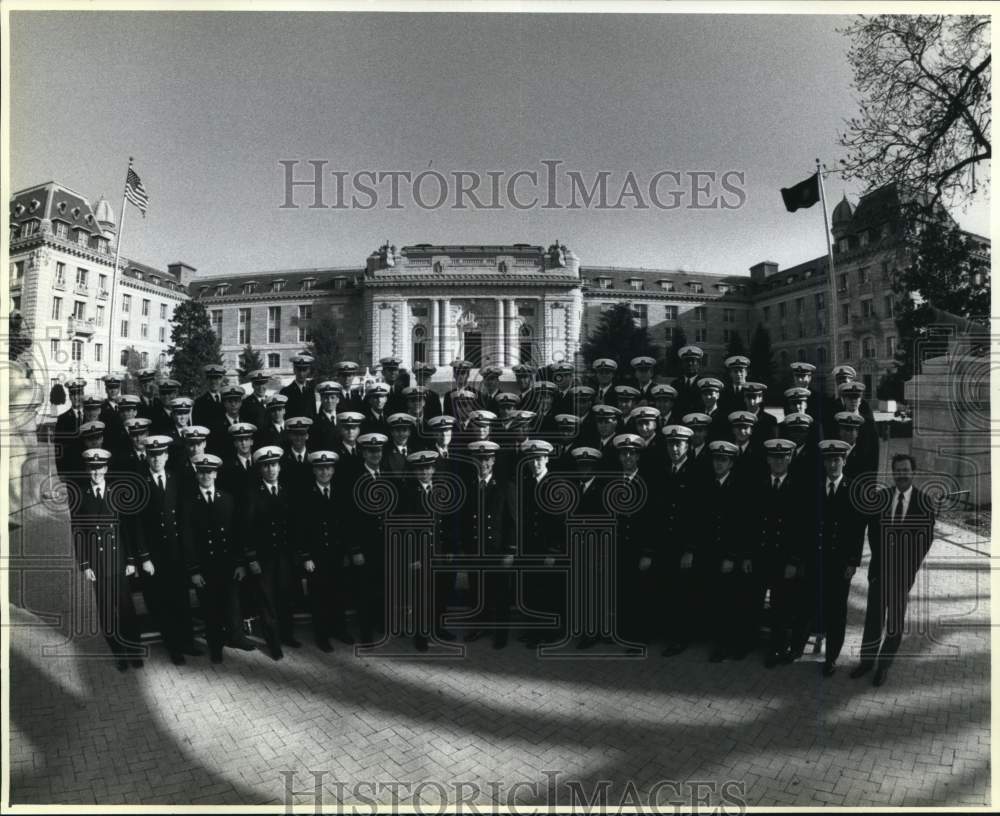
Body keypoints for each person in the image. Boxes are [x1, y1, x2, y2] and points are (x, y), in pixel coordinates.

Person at [851, 454, 936, 687]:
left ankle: (883, 666)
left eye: (905, 470)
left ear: (913, 472)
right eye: (897, 470)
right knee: (872, 621)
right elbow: (872, 533)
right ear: (893, 472)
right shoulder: (882, 498)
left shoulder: (925, 503)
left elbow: (924, 542)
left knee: (894, 623)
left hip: (902, 575)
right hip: (879, 572)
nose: (901, 474)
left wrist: (908, 572)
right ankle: (866, 662)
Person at [792, 439, 865, 677]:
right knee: (806, 604)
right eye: (828, 460)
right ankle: (795, 649)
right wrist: (801, 559)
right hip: (815, 559)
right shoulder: (813, 488)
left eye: (837, 460)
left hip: (838, 563)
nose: (832, 464)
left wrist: (853, 562)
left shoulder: (852, 489)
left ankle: (831, 657)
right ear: (823, 462)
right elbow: (803, 527)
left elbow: (856, 530)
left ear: (844, 461)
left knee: (836, 612)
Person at [71, 448, 143, 671]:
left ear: (106, 468)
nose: (96, 472)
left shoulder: (116, 492)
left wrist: (131, 560)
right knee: (106, 611)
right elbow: (79, 532)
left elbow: (127, 530)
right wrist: (84, 565)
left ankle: (133, 650)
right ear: (87, 470)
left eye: (99, 468)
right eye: (92, 469)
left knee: (126, 609)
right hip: (97, 564)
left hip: (119, 560)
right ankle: (118, 653)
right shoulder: (81, 496)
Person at [134, 435, 201, 665]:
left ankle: (188, 642)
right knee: (165, 603)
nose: (156, 460)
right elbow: (138, 524)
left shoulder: (175, 479)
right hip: (156, 556)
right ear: (148, 458)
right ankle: (174, 647)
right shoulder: (141, 483)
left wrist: (187, 553)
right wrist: (144, 557)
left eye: (160, 455)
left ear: (167, 456)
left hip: (176, 552)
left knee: (181, 599)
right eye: (152, 456)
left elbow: (183, 519)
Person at [183, 453, 255, 663]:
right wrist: (193, 571)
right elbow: (187, 539)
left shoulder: (227, 498)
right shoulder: (189, 502)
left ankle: (237, 637)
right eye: (202, 472)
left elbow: (237, 534)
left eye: (210, 472)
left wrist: (241, 563)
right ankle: (216, 645)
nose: (206, 475)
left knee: (233, 603)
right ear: (197, 475)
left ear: (216, 474)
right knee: (210, 607)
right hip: (205, 565)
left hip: (228, 563)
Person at [754, 438, 810, 667]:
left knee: (780, 606)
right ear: (768, 459)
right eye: (774, 458)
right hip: (761, 555)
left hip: (784, 558)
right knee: (754, 600)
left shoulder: (798, 488)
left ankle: (777, 648)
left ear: (790, 458)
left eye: (783, 457)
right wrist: (749, 555)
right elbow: (751, 523)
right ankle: (751, 641)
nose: (778, 462)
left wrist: (794, 561)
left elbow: (801, 529)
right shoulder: (759, 484)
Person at [461, 441, 517, 649]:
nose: (483, 463)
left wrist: (510, 551)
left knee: (500, 593)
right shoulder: (468, 485)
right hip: (475, 549)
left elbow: (513, 521)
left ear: (493, 460)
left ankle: (500, 634)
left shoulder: (505, 485)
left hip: (498, 550)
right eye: (479, 458)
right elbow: (465, 519)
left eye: (486, 459)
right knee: (477, 591)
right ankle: (479, 626)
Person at [296, 450, 353, 649]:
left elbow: (346, 526)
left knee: (339, 594)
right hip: (316, 556)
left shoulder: (341, 492)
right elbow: (300, 529)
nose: (324, 472)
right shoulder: (303, 495)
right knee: (319, 597)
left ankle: (340, 629)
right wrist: (306, 557)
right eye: (320, 468)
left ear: (333, 470)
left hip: (337, 554)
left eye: (328, 468)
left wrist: (347, 553)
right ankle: (322, 635)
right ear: (314, 470)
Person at [703, 440, 751, 662]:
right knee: (717, 598)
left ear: (731, 462)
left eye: (723, 460)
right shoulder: (708, 483)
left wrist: (733, 557)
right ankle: (719, 641)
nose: (718, 463)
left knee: (733, 601)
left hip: (731, 555)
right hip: (712, 550)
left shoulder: (740, 487)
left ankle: (734, 644)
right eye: (716, 459)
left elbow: (742, 525)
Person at [244, 445, 293, 659]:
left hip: (284, 557)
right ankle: (274, 644)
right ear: (260, 470)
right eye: (266, 466)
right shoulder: (252, 495)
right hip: (263, 559)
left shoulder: (287, 490)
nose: (271, 469)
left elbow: (295, 526)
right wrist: (251, 557)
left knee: (285, 596)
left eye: (274, 465)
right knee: (267, 602)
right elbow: (244, 528)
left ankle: (287, 635)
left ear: (280, 467)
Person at [280, 354, 317, 419]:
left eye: (304, 370)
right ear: (294, 370)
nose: (301, 374)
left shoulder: (312, 390)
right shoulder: (285, 392)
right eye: (299, 370)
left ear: (308, 370)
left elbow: (313, 413)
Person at [672, 345, 705, 416]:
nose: (690, 364)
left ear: (699, 364)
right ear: (682, 364)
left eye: (693, 361)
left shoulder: (703, 384)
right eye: (687, 361)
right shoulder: (675, 384)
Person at [192, 364, 226, 428]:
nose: (213, 382)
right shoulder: (199, 403)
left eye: (216, 378)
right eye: (210, 379)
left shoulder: (227, 399)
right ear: (206, 380)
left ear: (221, 380)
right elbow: (198, 427)